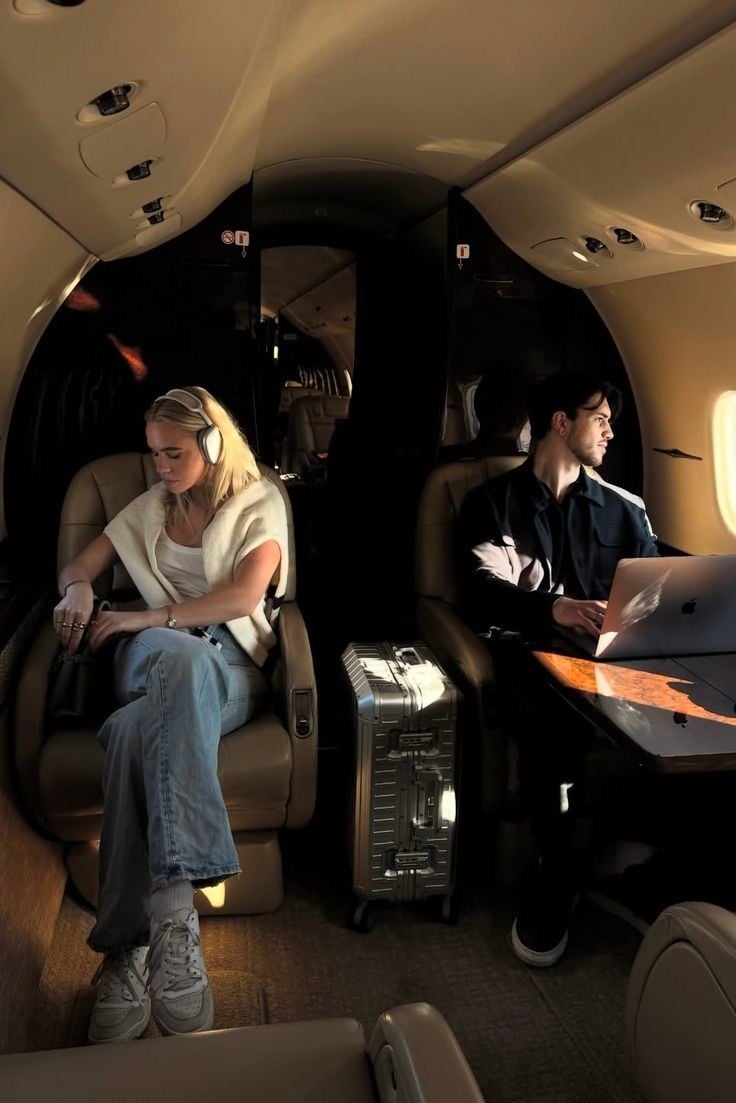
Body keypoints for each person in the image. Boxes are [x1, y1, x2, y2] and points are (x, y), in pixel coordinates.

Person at [53, 386, 287, 1042]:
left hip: (230, 668)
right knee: (170, 658)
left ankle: (126, 949)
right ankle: (177, 918)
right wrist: (77, 588)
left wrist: (147, 615)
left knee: (137, 727)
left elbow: (244, 595)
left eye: (173, 452)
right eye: (154, 453)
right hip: (150, 659)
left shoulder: (258, 502)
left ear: (212, 445)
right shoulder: (151, 505)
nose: (160, 466)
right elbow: (82, 563)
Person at [457, 370, 658, 967]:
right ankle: (558, 870)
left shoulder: (627, 511)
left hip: (614, 658)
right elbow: (479, 589)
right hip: (532, 655)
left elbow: (652, 589)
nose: (610, 432)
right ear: (561, 422)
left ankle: (653, 857)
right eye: (600, 418)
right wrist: (554, 608)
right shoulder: (491, 503)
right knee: (554, 719)